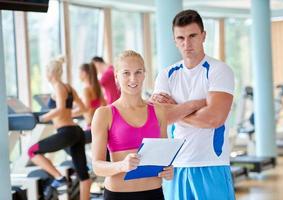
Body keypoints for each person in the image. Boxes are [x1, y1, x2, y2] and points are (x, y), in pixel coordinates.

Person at [151, 10, 235, 200]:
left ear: (203, 35)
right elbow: (159, 118)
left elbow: (214, 118)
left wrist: (175, 108)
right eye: (180, 38)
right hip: (175, 167)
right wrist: (196, 104)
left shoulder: (219, 70)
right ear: (174, 40)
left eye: (192, 36)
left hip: (211, 164)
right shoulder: (166, 75)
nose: (186, 44)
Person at [91, 50, 173, 200]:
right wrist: (121, 166)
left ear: (144, 74)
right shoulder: (104, 114)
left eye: (138, 72)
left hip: (154, 194)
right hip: (118, 195)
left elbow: (163, 157)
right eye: (126, 73)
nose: (133, 78)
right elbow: (97, 166)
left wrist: (168, 170)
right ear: (116, 76)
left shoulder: (159, 111)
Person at [27, 57, 92, 200]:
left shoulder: (57, 87)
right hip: (76, 131)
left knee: (32, 151)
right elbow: (83, 108)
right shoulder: (69, 87)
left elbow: (60, 108)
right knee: (83, 175)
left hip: (66, 132)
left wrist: (42, 118)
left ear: (50, 73)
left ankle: (59, 177)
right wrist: (69, 114)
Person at [79, 63, 106, 143]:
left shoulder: (86, 90)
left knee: (71, 142)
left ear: (84, 73)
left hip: (91, 127)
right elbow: (104, 103)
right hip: (98, 125)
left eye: (79, 73)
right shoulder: (96, 87)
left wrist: (70, 113)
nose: (78, 75)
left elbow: (86, 108)